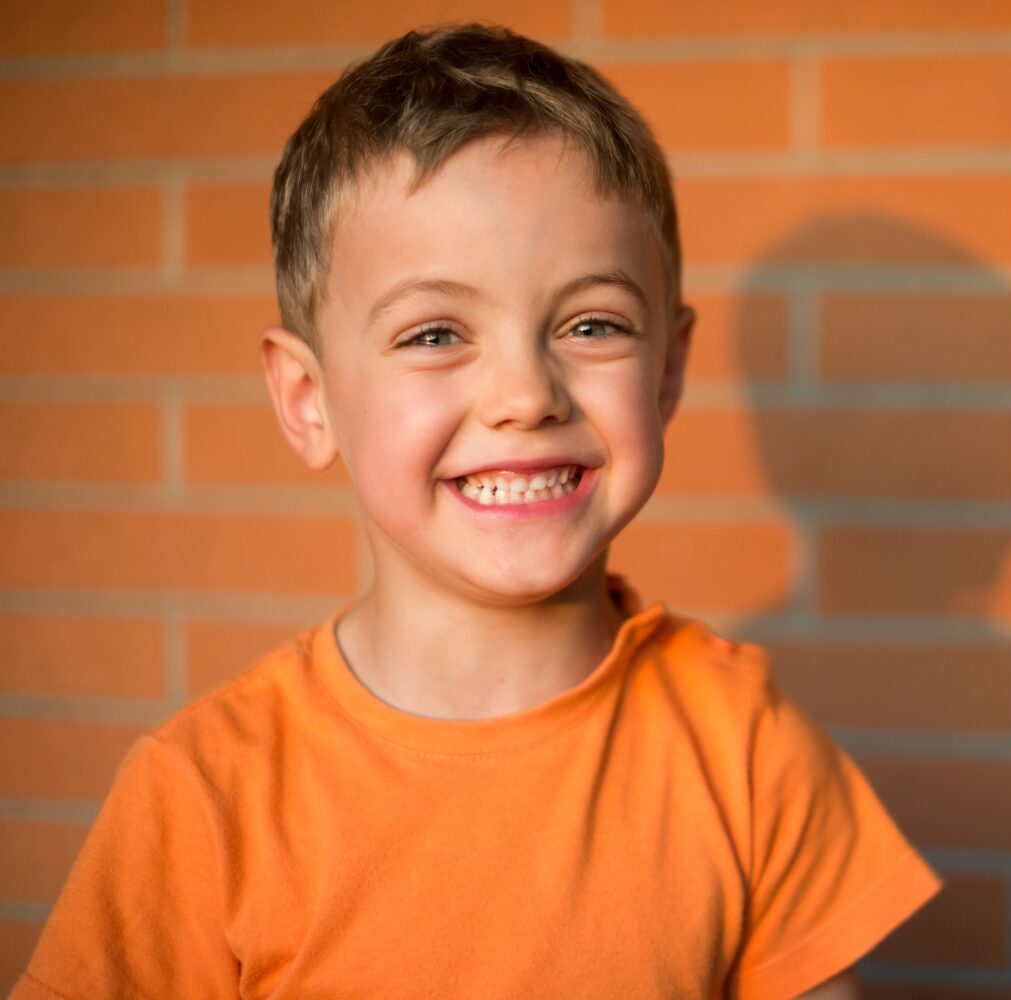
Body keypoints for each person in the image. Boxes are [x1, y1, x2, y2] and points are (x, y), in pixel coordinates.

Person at [10, 23, 939, 1000]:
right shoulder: (203, 798)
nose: (526, 395)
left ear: (667, 370)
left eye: (593, 324)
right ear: (308, 400)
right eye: (434, 334)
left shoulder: (750, 749)